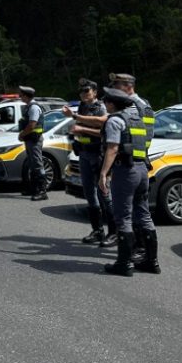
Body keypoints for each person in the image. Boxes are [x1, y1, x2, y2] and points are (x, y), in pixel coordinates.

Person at [98, 87, 160, 276]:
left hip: (125, 172)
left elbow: (112, 149)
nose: (104, 105)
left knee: (123, 216)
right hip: (142, 170)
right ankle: (152, 261)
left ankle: (124, 264)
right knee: (144, 214)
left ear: (111, 103)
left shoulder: (115, 120)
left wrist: (103, 174)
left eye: (106, 102)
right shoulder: (137, 120)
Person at [63, 79, 116, 245]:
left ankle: (114, 233)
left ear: (95, 92)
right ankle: (98, 230)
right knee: (89, 194)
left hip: (97, 154)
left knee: (104, 193)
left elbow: (103, 132)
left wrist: (81, 129)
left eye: (87, 91)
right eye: (81, 91)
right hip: (84, 153)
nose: (83, 94)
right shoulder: (82, 106)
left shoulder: (100, 107)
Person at [17, 86, 48, 201]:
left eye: (21, 95)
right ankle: (34, 189)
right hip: (30, 139)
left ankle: (42, 191)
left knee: (37, 163)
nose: (20, 97)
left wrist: (22, 134)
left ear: (26, 96)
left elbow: (32, 125)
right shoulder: (29, 107)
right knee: (32, 163)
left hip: (34, 139)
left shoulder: (34, 108)